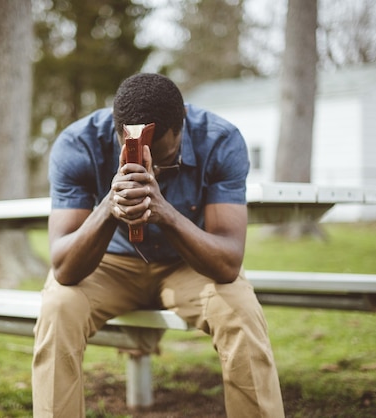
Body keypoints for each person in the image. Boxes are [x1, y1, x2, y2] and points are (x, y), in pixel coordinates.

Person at [32, 73, 284, 417]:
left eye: (166, 162)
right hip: (109, 266)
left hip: (186, 265)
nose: (154, 171)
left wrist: (164, 211)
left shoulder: (220, 139)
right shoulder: (78, 143)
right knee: (58, 308)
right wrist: (109, 206)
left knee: (239, 309)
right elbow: (63, 268)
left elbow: (227, 265)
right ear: (118, 132)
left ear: (182, 128)